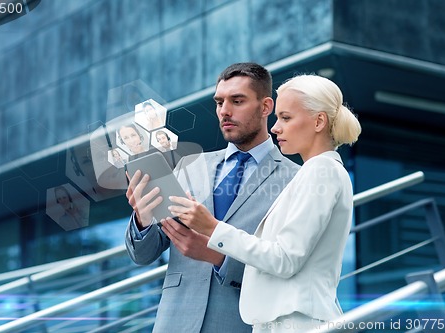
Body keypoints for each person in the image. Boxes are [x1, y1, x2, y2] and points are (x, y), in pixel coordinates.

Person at [167, 74, 362, 332]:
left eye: (286, 118)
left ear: (319, 121)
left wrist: (213, 228)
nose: (275, 127)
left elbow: (284, 259)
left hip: (295, 321)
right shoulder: (317, 171)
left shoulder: (321, 171)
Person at [125, 63, 299, 332]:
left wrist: (218, 257)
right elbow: (143, 255)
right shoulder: (189, 166)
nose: (224, 111)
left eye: (237, 101)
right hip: (174, 322)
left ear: (266, 107)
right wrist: (142, 218)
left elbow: (287, 268)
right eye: (219, 102)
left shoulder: (295, 180)